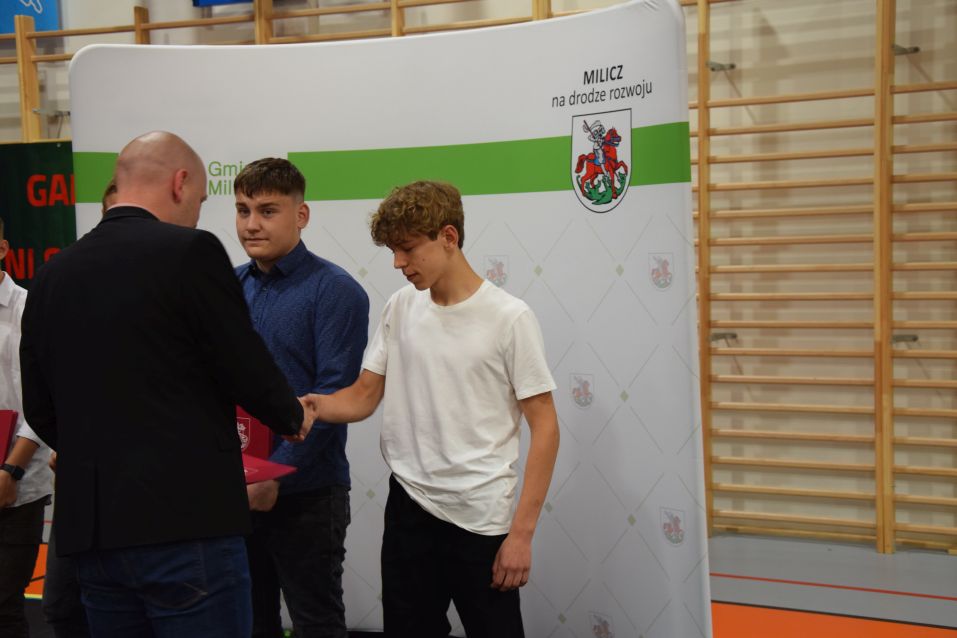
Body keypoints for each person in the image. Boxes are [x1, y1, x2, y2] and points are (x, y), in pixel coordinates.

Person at [19, 131, 315, 638]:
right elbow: (241, 361)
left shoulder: (52, 274)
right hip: (186, 525)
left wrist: (98, 454)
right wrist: (290, 415)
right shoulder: (191, 252)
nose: (198, 214)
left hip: (95, 536)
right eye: (200, 199)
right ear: (180, 183)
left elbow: (39, 406)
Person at [305, 181, 560, 638]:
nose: (397, 263)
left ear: (448, 236)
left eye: (407, 249)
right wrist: (309, 407)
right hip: (408, 509)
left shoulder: (510, 317)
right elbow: (364, 395)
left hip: (480, 518)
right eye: (393, 251)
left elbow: (546, 428)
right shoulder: (401, 306)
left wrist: (521, 535)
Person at [233, 158, 369, 638]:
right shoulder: (227, 286)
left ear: (301, 215)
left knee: (317, 624)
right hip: (235, 487)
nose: (252, 224)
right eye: (243, 210)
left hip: (309, 493)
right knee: (250, 623)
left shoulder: (336, 291)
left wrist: (275, 474)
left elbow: (333, 397)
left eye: (268, 210)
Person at [41, 178, 117, 638]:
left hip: (144, 493)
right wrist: (63, 442)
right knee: (60, 607)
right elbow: (44, 386)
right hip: (78, 486)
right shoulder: (68, 286)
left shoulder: (175, 292)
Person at [0, 215, 55, 638]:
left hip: (17, 486)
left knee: (4, 608)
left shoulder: (28, 310)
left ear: (2, 250)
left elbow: (43, 401)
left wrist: (10, 471)